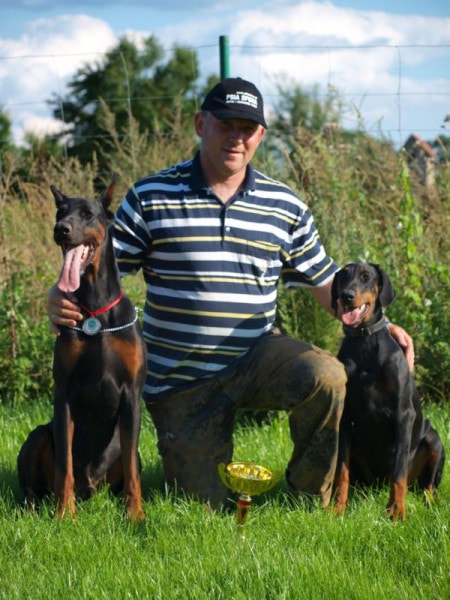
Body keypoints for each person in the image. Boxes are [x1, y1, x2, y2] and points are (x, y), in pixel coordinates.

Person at [48, 77, 414, 509]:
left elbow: (326, 281)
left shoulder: (285, 205)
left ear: (261, 135)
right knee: (203, 503)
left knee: (328, 376)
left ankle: (308, 498)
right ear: (201, 124)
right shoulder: (151, 196)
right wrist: (60, 296)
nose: (236, 137)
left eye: (248, 128)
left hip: (258, 358)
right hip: (182, 381)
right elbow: (102, 267)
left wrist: (382, 324)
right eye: (226, 124)